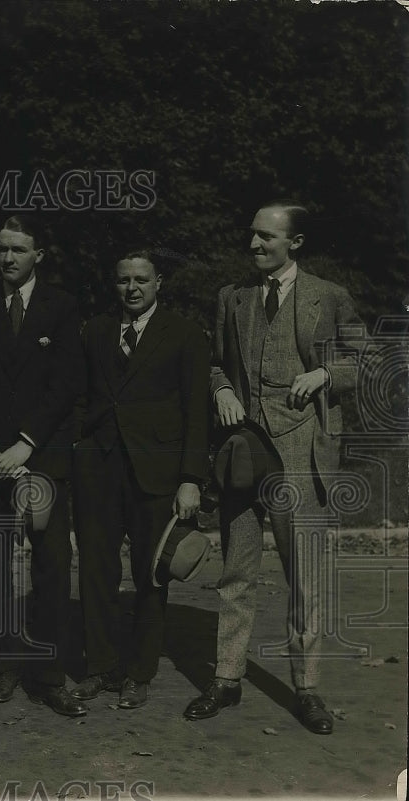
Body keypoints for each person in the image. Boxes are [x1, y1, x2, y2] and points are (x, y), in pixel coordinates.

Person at [184, 201, 366, 734]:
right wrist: (219, 388)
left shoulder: (328, 297)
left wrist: (327, 375)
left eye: (266, 237)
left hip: (303, 456)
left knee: (304, 579)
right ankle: (227, 678)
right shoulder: (232, 298)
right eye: (252, 235)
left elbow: (368, 356)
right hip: (246, 452)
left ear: (296, 243)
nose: (255, 245)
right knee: (237, 571)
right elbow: (216, 360)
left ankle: (306, 690)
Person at [0, 216, 87, 717]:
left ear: (39, 256)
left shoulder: (62, 307)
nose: (8, 258)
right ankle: (4, 666)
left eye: (19, 249)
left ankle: (49, 676)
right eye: (2, 248)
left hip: (41, 459)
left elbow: (67, 385)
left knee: (52, 567)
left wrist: (27, 444)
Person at [72, 251, 208, 709]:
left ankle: (138, 673)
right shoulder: (94, 332)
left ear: (159, 283)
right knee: (95, 572)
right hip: (99, 471)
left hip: (157, 474)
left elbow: (196, 414)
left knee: (151, 577)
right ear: (115, 285)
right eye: (123, 280)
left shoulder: (184, 334)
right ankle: (102, 667)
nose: (132, 288)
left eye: (142, 280)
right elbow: (82, 397)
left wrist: (191, 478)